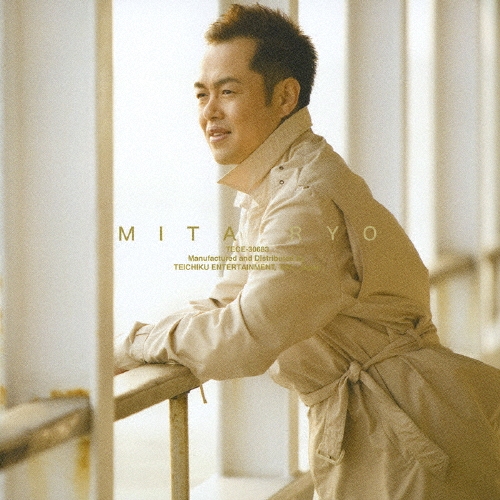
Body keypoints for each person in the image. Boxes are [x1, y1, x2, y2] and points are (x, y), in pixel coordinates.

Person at [115, 4, 500, 499]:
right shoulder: (281, 183)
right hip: (390, 425)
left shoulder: (305, 200)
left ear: (285, 97)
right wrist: (134, 341)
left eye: (228, 92)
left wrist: (136, 343)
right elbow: (229, 300)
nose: (209, 111)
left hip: (406, 437)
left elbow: (246, 334)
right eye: (201, 94)